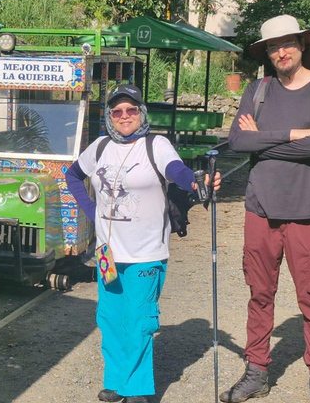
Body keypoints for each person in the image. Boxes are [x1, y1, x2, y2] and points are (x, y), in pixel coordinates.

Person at [65, 84, 221, 403]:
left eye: (131, 110)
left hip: (145, 254)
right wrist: (92, 212)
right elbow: (71, 176)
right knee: (109, 317)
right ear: (110, 116)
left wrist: (194, 180)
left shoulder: (156, 144)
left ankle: (136, 390)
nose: (125, 116)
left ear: (141, 113)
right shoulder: (98, 147)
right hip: (107, 253)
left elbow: (175, 170)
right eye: (117, 111)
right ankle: (116, 380)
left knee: (138, 320)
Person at [223, 15, 310, 403]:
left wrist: (264, 140)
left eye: (287, 43)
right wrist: (293, 134)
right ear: (267, 52)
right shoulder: (258, 90)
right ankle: (257, 371)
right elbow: (238, 142)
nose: (281, 51)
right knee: (259, 294)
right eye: (273, 46)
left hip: (307, 211)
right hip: (260, 210)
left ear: (302, 44)